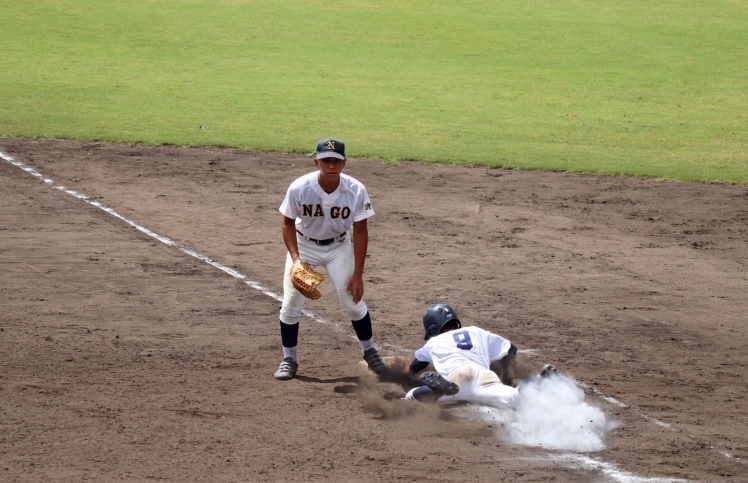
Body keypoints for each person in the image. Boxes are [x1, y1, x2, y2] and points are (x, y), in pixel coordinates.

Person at [274, 138, 387, 380]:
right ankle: (289, 359)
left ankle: (370, 352)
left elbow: (360, 230)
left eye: (336, 161)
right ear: (317, 161)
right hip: (304, 246)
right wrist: (296, 260)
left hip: (339, 247)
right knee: (291, 305)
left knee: (353, 302)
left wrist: (358, 274)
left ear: (344, 163)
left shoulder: (356, 189)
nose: (331, 166)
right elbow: (287, 223)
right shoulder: (299, 188)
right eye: (326, 161)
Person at [403, 303, 558, 408]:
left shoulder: (434, 342)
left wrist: (405, 374)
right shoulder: (476, 331)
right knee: (514, 398)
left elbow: (417, 365)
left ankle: (437, 390)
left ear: (432, 329)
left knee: (412, 397)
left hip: (456, 379)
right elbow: (511, 349)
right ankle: (539, 379)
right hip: (485, 376)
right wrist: (506, 376)